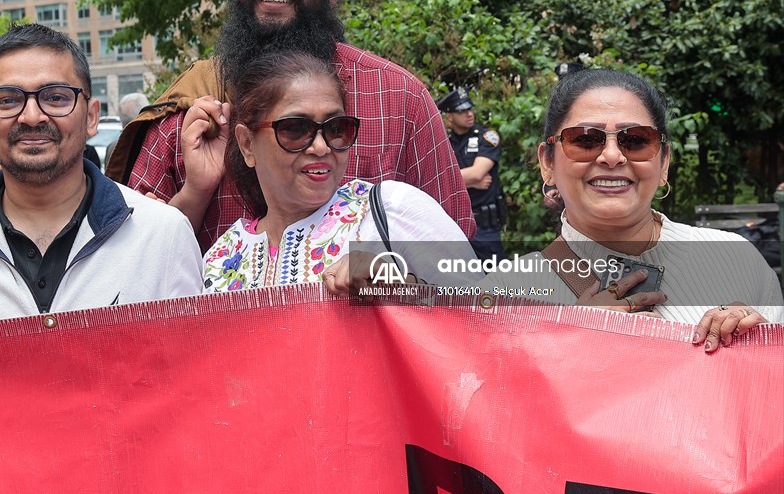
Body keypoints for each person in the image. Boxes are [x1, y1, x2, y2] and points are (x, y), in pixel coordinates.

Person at [106, 0, 475, 251]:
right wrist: (196, 194)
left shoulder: (399, 99)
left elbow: (454, 257)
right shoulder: (191, 105)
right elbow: (130, 264)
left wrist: (373, 271)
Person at [0, 23, 203, 331]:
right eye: (8, 100)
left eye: (55, 97)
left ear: (91, 116)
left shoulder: (163, 234)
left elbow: (190, 374)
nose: (32, 116)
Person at [484, 69, 783, 353]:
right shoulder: (504, 294)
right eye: (586, 139)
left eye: (636, 140)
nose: (612, 156)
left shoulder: (737, 261)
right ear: (547, 163)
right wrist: (569, 345)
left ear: (663, 161)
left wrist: (762, 348)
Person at [183, 50, 475, 292]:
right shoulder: (221, 260)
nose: (321, 147)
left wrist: (406, 289)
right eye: (296, 129)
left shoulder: (390, 210)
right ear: (247, 144)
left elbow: (489, 313)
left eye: (336, 129)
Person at [438, 87, 506, 261]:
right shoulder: (443, 144)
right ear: (450, 116)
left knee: (495, 280)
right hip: (453, 223)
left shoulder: (487, 137)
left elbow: (477, 174)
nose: (469, 114)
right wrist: (469, 180)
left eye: (469, 109)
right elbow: (436, 179)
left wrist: (457, 179)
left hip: (484, 226)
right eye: (462, 111)